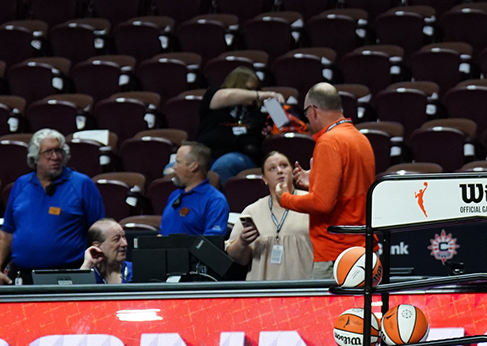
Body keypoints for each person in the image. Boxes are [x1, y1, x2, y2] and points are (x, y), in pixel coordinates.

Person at [274, 82, 374, 279]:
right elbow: (348, 189)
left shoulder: (329, 142)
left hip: (336, 256)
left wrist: (284, 198)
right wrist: (315, 181)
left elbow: (322, 203)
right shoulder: (360, 139)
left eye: (306, 114)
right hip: (362, 250)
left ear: (313, 111)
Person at [0, 129, 106, 285]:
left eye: (59, 151)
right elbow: (7, 233)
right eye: (48, 152)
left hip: (68, 276)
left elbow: (100, 232)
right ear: (35, 157)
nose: (55, 157)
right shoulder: (21, 184)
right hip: (23, 277)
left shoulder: (81, 184)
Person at [226, 151, 315, 280]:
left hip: (305, 285)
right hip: (263, 287)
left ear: (292, 171)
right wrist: (242, 242)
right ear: (264, 178)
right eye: (272, 168)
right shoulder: (252, 211)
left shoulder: (310, 202)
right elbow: (239, 259)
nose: (279, 171)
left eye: (284, 165)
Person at [198, 66, 287, 184]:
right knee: (179, 165)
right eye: (249, 90)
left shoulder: (257, 111)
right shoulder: (214, 96)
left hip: (240, 155)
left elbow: (283, 123)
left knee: (223, 165)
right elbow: (226, 96)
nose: (253, 94)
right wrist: (259, 94)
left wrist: (273, 105)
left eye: (256, 89)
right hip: (207, 152)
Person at [160, 141, 229, 236]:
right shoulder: (174, 195)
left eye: (178, 162)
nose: (174, 167)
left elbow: (212, 241)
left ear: (193, 166)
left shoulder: (215, 200)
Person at [80, 218, 133, 283]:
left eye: (124, 237)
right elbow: (77, 288)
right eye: (116, 239)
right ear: (97, 246)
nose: (125, 243)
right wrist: (87, 265)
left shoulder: (137, 270)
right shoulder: (86, 272)